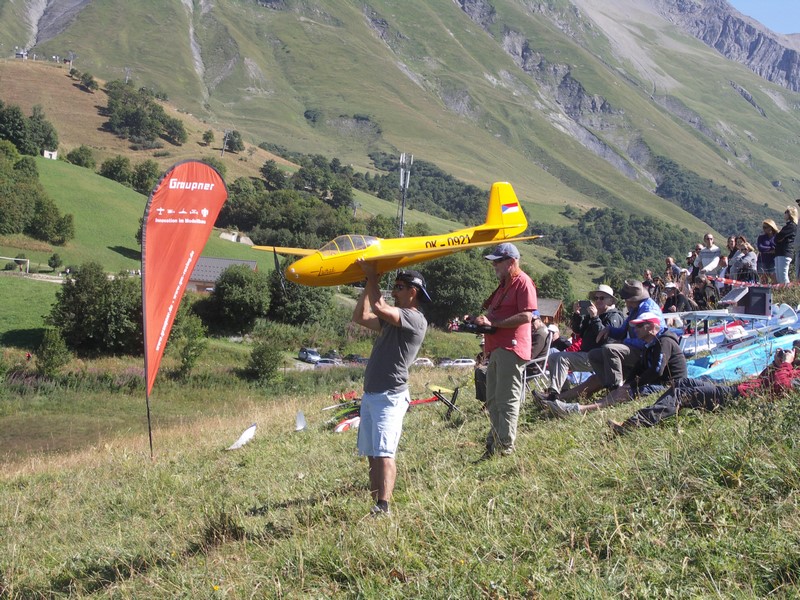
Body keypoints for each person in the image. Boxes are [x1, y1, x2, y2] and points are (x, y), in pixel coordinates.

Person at [352, 264, 429, 516]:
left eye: (398, 288)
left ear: (413, 292)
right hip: (372, 395)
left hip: (390, 396)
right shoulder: (392, 322)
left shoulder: (414, 319)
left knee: (384, 453)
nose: (394, 292)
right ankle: (375, 505)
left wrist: (374, 276)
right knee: (373, 455)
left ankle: (383, 507)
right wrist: (368, 283)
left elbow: (379, 307)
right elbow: (360, 316)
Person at [608, 344, 800, 434]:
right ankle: (655, 417)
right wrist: (776, 364)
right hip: (737, 390)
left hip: (742, 398)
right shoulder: (793, 369)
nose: (795, 353)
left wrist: (785, 365)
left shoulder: (795, 374)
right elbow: (765, 380)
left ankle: (632, 425)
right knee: (684, 383)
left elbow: (781, 387)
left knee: (683, 393)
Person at [546, 311, 686, 417]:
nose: (635, 329)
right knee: (622, 390)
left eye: (639, 326)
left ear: (651, 327)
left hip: (670, 386)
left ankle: (578, 410)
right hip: (660, 384)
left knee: (624, 393)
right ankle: (568, 404)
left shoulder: (664, 342)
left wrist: (631, 385)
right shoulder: (650, 343)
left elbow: (657, 370)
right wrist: (627, 383)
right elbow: (640, 367)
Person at [473, 242, 537, 459]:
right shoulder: (503, 285)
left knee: (506, 399)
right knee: (492, 399)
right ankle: (493, 445)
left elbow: (526, 316)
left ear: (511, 261)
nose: (494, 266)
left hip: (512, 347)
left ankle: (505, 448)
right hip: (497, 347)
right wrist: (477, 321)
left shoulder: (523, 283)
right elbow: (491, 313)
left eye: (498, 262)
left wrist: (495, 322)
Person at [557, 280, 664, 403]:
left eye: (626, 299)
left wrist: (625, 342)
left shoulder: (648, 310)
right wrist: (609, 330)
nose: (625, 301)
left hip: (647, 351)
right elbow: (622, 330)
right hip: (636, 347)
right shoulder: (635, 308)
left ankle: (616, 392)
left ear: (633, 299)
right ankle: (607, 386)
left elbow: (653, 338)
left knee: (610, 349)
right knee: (594, 354)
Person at [535, 284, 624, 404]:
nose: (597, 301)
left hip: (599, 357)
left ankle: (553, 394)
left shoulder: (614, 316)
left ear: (611, 300)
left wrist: (595, 318)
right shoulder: (593, 315)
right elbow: (578, 331)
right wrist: (576, 315)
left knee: (561, 358)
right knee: (552, 357)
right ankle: (563, 391)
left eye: (601, 298)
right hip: (586, 354)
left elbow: (605, 339)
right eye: (595, 298)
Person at [775, 206, 797, 284]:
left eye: (786, 212)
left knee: (783, 276)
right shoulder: (788, 226)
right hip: (780, 252)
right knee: (779, 277)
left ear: (790, 214)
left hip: (785, 253)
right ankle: (782, 292)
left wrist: (779, 237)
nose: (784, 214)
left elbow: (778, 237)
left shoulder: (791, 226)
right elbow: (778, 238)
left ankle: (787, 292)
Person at [757, 219, 778, 284]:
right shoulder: (761, 237)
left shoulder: (777, 237)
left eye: (765, 227)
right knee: (763, 280)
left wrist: (768, 250)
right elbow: (761, 248)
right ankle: (764, 294)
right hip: (762, 261)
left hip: (773, 261)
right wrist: (771, 249)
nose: (764, 229)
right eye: (763, 227)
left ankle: (776, 292)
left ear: (771, 227)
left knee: (774, 278)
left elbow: (778, 248)